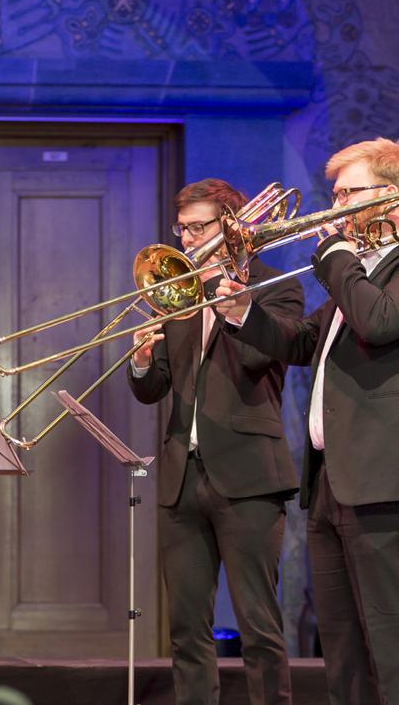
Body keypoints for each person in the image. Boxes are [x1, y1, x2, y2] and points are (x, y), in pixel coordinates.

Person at [215, 137, 399, 705]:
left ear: (392, 194)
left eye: (349, 192)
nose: (335, 202)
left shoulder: (382, 268)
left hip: (383, 479)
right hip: (332, 481)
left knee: (391, 637)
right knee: (342, 642)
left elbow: (380, 322)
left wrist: (336, 256)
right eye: (336, 192)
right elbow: (302, 342)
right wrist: (244, 312)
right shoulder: (360, 269)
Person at [127, 179, 303, 705]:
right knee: (186, 629)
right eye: (181, 228)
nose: (186, 239)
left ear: (230, 227)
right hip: (183, 479)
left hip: (249, 476)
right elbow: (155, 386)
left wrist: (239, 309)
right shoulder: (175, 294)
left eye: (198, 228)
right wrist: (139, 363)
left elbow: (264, 359)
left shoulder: (276, 286)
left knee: (259, 627)